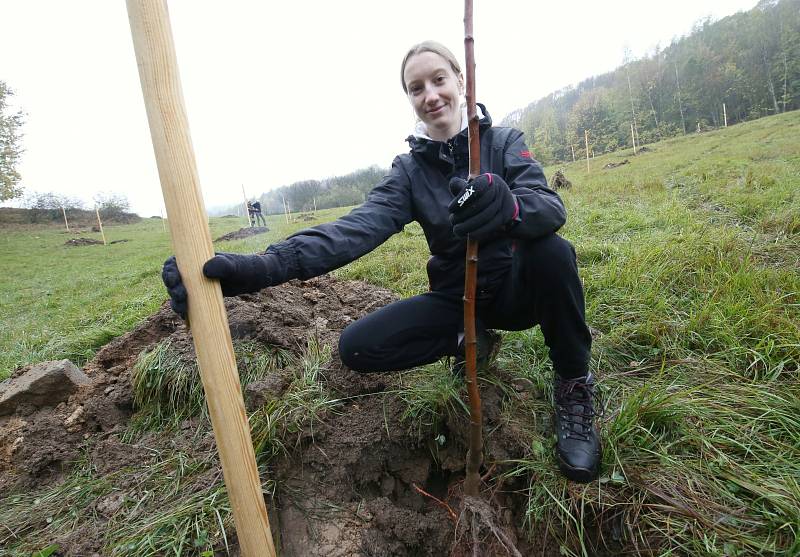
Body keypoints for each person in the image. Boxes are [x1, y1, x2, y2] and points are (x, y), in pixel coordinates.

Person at [162, 41, 600, 482]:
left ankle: (573, 385)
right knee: (358, 347)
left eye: (439, 80)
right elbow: (355, 229)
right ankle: (470, 339)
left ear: (461, 80)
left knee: (552, 252)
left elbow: (549, 206)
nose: (430, 95)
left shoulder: (504, 142)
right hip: (456, 300)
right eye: (416, 88)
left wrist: (511, 210)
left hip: (516, 291)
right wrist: (263, 267)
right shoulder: (409, 171)